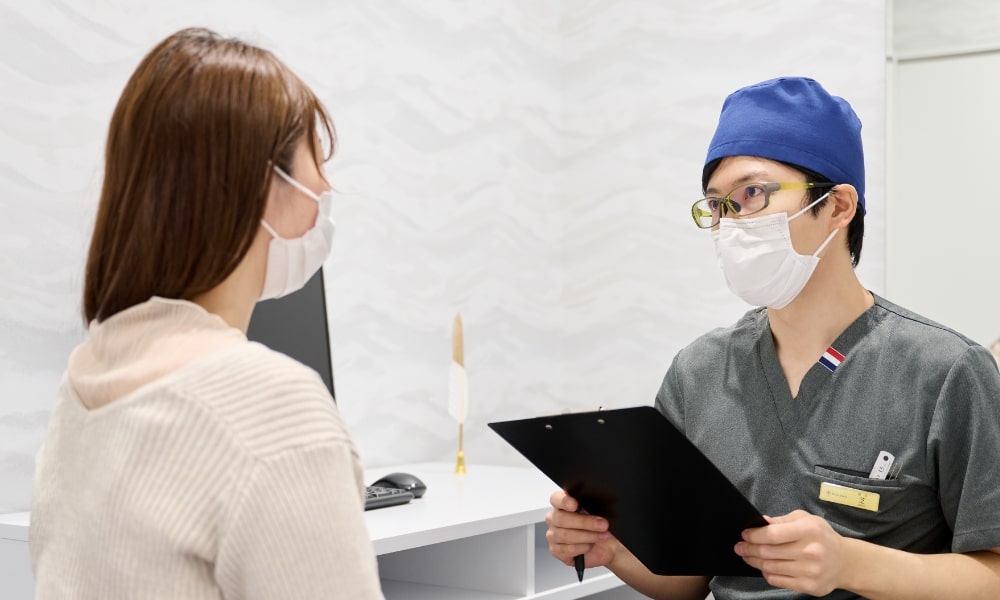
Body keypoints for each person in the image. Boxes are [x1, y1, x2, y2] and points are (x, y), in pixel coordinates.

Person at [545, 77, 1000, 599]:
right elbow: (688, 580)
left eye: (751, 194)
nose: (728, 223)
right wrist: (611, 550)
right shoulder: (699, 372)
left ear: (838, 206)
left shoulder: (946, 371)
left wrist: (850, 564)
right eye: (716, 206)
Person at [29, 28, 384, 599]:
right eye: (319, 160)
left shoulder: (82, 384)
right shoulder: (274, 408)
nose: (326, 185)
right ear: (269, 184)